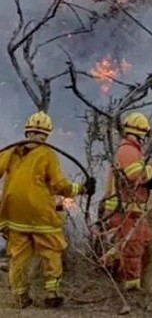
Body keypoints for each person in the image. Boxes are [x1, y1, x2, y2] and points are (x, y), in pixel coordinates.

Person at [0, 111, 96, 309]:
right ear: (47, 134)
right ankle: (51, 293)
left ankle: (20, 296)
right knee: (51, 249)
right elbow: (60, 186)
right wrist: (82, 188)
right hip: (40, 213)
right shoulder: (47, 154)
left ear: (27, 131)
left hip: (13, 213)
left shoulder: (10, 151)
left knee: (18, 255)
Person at [99, 112, 152, 293]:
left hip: (132, 210)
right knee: (132, 248)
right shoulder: (128, 150)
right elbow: (135, 175)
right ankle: (131, 287)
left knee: (141, 241)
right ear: (141, 133)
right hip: (125, 210)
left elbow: (140, 176)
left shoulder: (132, 150)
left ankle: (112, 263)